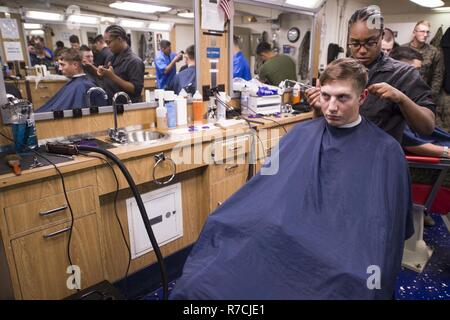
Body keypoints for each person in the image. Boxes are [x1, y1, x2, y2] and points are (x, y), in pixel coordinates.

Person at [170, 58, 413, 300]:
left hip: (343, 247)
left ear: (362, 97)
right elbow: (264, 190)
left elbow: (386, 227)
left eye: (342, 98)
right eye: (326, 96)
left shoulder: (386, 151)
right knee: (216, 240)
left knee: (353, 280)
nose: (330, 107)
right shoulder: (301, 133)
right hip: (285, 230)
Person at [306, 6, 435, 143]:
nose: (361, 50)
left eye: (369, 43)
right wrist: (319, 108)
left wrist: (401, 99)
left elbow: (427, 127)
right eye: (355, 43)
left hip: (379, 158)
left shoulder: (403, 74)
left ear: (381, 36)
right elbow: (322, 127)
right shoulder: (339, 70)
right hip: (338, 153)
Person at [36, 49, 107, 112]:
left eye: (62, 65)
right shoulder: (77, 83)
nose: (60, 69)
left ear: (75, 65)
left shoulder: (84, 86)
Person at [99, 25, 145, 103]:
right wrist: (102, 72)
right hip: (112, 104)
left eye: (109, 42)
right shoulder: (110, 57)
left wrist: (113, 76)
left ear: (119, 39)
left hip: (127, 108)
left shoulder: (134, 61)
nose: (107, 46)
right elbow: (107, 76)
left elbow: (136, 90)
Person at [402, 21, 444, 101]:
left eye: (427, 32)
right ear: (414, 32)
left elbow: (438, 76)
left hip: (423, 94)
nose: (425, 35)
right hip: (404, 92)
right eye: (422, 31)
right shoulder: (403, 49)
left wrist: (431, 97)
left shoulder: (434, 52)